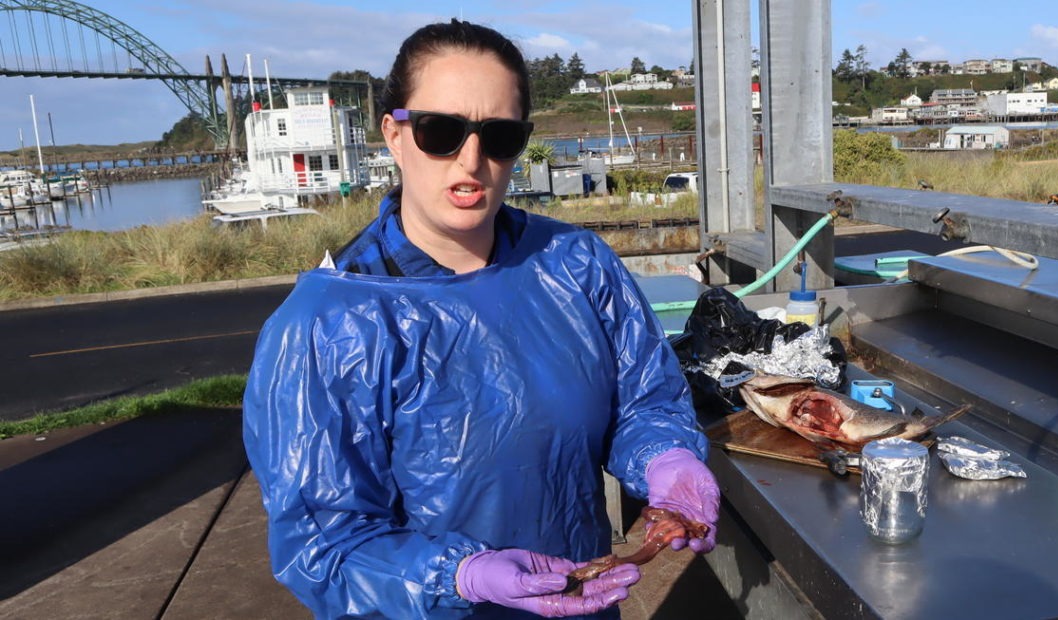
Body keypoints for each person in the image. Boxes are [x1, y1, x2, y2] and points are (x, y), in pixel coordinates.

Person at [243, 19, 719, 619]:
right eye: (441, 132)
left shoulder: (577, 265)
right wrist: (460, 576)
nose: (471, 160)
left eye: (499, 136)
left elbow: (643, 400)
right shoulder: (328, 326)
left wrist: (666, 460)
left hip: (585, 605)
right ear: (394, 134)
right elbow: (323, 544)